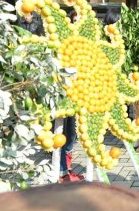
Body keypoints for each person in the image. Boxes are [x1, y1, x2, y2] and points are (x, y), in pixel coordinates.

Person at [59, 10, 85, 182]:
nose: (76, 24)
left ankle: (66, 167)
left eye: (79, 21)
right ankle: (62, 171)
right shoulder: (63, 42)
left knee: (72, 135)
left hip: (77, 95)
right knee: (62, 134)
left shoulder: (82, 44)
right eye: (74, 21)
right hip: (63, 95)